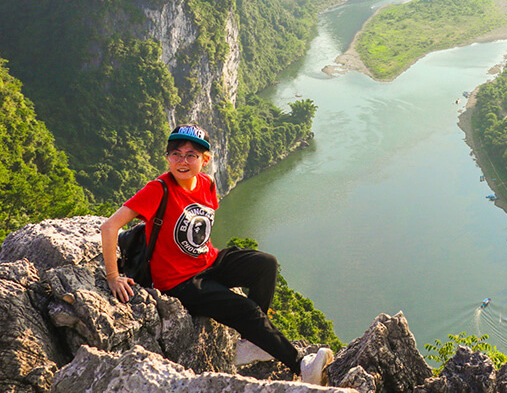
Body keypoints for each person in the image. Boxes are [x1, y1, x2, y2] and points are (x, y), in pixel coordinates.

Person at [100, 124, 333, 385]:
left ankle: (251, 343)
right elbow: (109, 226)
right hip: (179, 282)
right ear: (167, 157)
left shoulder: (207, 184)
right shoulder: (159, 190)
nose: (182, 161)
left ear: (205, 159)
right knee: (245, 309)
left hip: (209, 261)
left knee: (266, 264)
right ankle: (302, 365)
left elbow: (198, 234)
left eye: (191, 155)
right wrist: (112, 276)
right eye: (175, 154)